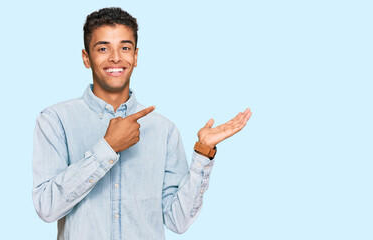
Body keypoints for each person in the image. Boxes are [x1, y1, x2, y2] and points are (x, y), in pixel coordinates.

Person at [32, 7, 252, 240]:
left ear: (135, 56)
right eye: (103, 48)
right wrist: (108, 148)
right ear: (86, 58)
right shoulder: (55, 121)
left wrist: (203, 154)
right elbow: (46, 208)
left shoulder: (163, 130)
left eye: (124, 48)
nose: (116, 57)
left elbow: (177, 221)